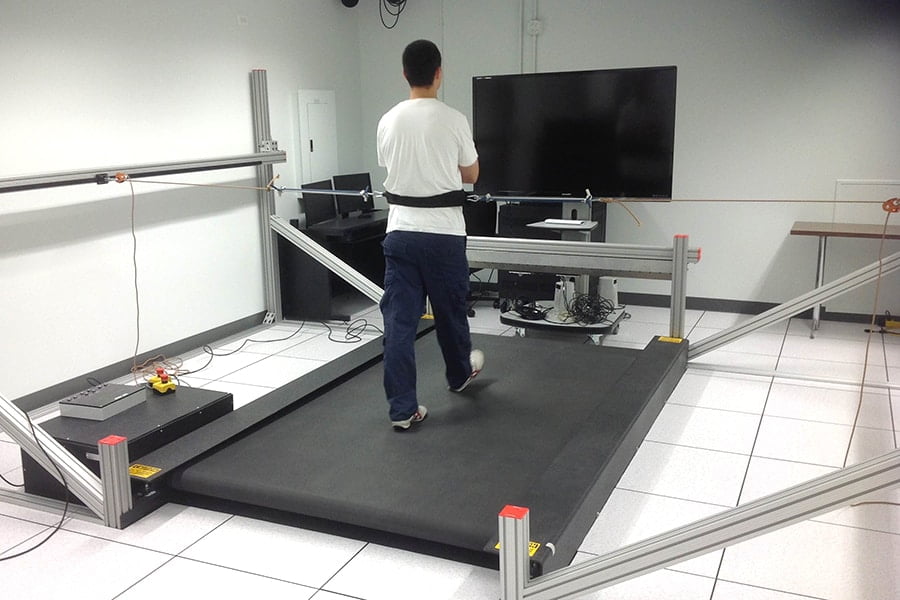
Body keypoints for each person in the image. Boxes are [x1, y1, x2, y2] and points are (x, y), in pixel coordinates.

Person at [376, 39, 484, 431]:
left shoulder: (387, 120)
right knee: (451, 312)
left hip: (401, 232)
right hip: (443, 235)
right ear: (439, 73)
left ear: (405, 74)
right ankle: (458, 376)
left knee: (399, 325)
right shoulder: (453, 118)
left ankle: (403, 410)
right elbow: (471, 175)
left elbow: (393, 166)